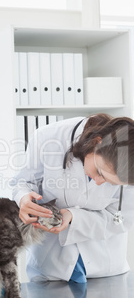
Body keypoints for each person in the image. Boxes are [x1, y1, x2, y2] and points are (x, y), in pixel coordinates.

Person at [11, 113, 134, 283]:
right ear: (97, 142)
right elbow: (23, 182)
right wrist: (24, 198)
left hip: (106, 267)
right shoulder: (47, 137)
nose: (99, 182)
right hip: (51, 264)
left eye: (110, 182)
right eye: (99, 172)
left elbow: (121, 219)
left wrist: (73, 217)